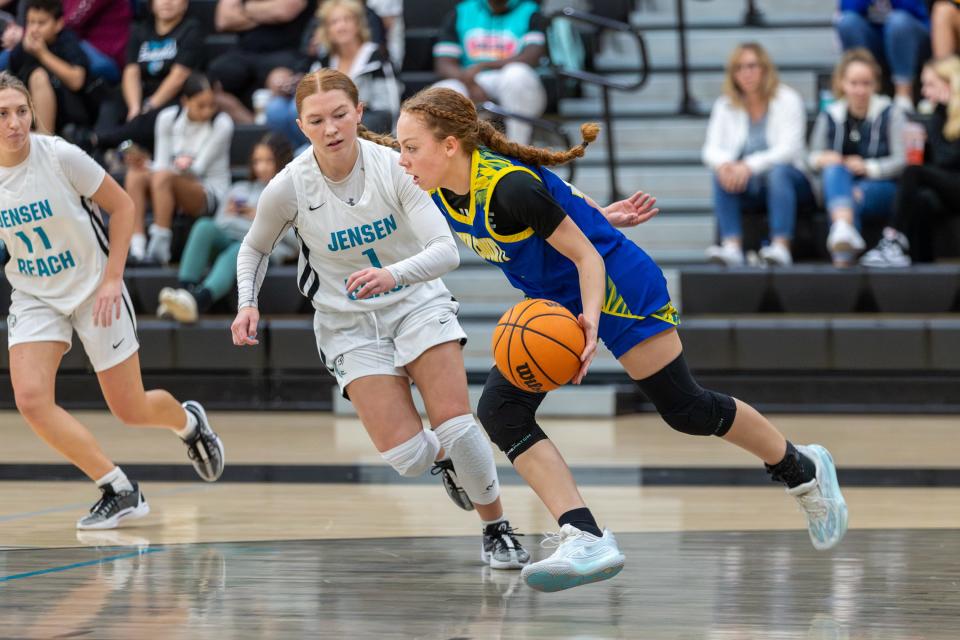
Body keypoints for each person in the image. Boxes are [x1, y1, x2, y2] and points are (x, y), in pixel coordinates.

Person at [395, 87, 848, 592]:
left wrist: (589, 322)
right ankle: (584, 535)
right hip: (555, 297)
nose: (402, 158)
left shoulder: (507, 189)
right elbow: (559, 193)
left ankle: (801, 467)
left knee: (686, 409)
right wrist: (594, 214)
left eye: (410, 147)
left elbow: (587, 256)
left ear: (451, 145)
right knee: (502, 410)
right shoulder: (443, 185)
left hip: (616, 286)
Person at [229, 69, 529, 570]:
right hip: (346, 322)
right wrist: (247, 301)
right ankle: (447, 465)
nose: (331, 128)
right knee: (408, 456)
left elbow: (444, 251)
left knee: (457, 425)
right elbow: (254, 248)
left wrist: (392, 276)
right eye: (318, 120)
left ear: (360, 113)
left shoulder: (394, 166)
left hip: (415, 301)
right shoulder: (289, 187)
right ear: (302, 126)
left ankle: (496, 526)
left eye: (340, 114)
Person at [0, 72, 224, 530]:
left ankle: (189, 422)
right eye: (3, 114)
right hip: (35, 292)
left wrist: (112, 279)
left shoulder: (59, 154)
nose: (15, 123)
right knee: (31, 398)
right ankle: (117, 487)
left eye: (21, 111)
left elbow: (122, 207)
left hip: (94, 285)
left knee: (130, 408)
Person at [159, 132, 297, 322]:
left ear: (281, 160)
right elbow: (220, 223)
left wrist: (260, 217)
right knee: (204, 226)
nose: (261, 167)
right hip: (229, 237)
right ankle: (183, 294)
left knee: (240, 249)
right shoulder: (239, 188)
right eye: (257, 161)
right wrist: (236, 214)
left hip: (262, 249)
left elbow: (297, 241)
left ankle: (198, 302)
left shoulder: (290, 194)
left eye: (268, 160)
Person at [702, 42, 813, 267]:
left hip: (791, 182)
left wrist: (748, 166)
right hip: (748, 184)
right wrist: (727, 165)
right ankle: (732, 247)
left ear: (764, 69)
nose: (746, 73)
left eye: (752, 66)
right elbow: (710, 150)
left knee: (778, 173)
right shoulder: (725, 105)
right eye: (739, 68)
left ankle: (781, 246)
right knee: (721, 173)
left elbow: (790, 149)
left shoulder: (788, 99)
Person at [808, 48, 906, 267]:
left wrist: (868, 167)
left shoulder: (891, 112)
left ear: (875, 84)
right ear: (842, 84)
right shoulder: (830, 114)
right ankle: (844, 240)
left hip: (880, 187)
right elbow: (810, 157)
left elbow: (902, 160)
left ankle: (842, 255)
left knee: (851, 196)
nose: (860, 90)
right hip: (840, 185)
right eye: (854, 83)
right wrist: (823, 159)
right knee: (835, 172)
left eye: (866, 83)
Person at [124, 72, 234, 265]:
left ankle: (159, 249)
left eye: (212, 105)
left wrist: (159, 169)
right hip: (171, 182)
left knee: (162, 177)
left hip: (210, 193)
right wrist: (145, 164)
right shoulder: (167, 118)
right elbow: (161, 163)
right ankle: (138, 247)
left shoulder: (222, 123)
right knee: (136, 174)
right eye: (201, 106)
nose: (207, 111)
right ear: (185, 101)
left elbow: (198, 169)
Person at [861, 56, 960, 266]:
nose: (924, 92)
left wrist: (933, 127)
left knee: (913, 172)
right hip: (949, 190)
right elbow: (938, 165)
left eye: (930, 84)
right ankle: (921, 267)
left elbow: (948, 159)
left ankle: (892, 238)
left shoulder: (942, 116)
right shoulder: (938, 117)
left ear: (951, 83)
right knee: (921, 198)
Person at [264, 0, 399, 146]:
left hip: (362, 131)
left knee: (293, 112)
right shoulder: (323, 60)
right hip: (323, 128)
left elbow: (388, 109)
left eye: (347, 20)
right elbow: (308, 97)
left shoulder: (376, 58)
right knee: (275, 108)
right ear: (326, 30)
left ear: (358, 24)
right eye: (334, 22)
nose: (341, 26)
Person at [433, 0, 547, 145]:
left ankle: (519, 151)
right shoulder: (462, 11)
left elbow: (532, 56)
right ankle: (453, 157)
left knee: (517, 74)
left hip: (511, 76)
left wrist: (484, 65)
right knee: (443, 90)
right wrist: (469, 82)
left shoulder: (530, 10)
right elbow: (444, 64)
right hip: (472, 78)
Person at [8, 0, 90, 134]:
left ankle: (44, 143)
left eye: (41, 23)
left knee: (38, 76)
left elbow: (77, 80)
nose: (34, 29)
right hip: (26, 113)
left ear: (58, 24)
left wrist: (42, 54)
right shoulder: (22, 48)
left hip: (68, 111)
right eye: (31, 22)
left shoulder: (67, 41)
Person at [834, 0, 930, 112]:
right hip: (875, 40)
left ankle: (903, 98)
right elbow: (848, 8)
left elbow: (912, 8)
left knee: (898, 21)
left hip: (911, 39)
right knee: (848, 22)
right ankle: (866, 94)